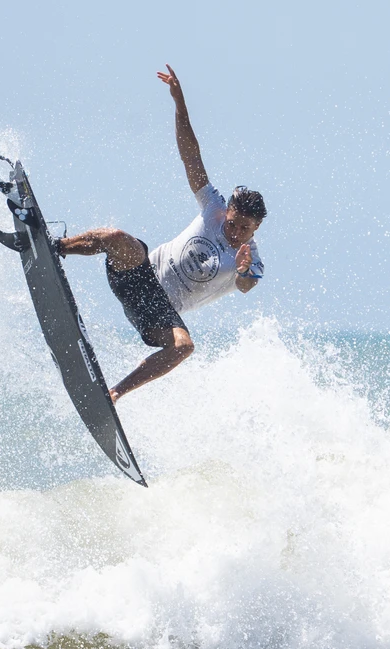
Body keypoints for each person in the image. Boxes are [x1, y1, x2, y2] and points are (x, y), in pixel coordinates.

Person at [56, 64, 268, 403]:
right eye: (233, 222)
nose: (236, 231)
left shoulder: (250, 259)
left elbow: (247, 285)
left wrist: (242, 271)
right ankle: (56, 247)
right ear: (227, 210)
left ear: (256, 229)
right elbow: (191, 156)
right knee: (117, 238)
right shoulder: (212, 207)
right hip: (138, 276)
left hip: (158, 311)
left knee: (183, 346)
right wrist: (179, 103)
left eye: (245, 229)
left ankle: (113, 394)